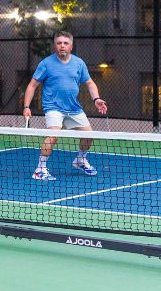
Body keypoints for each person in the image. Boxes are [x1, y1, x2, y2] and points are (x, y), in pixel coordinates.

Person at [22, 31, 108, 181]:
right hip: (53, 107)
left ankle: (80, 160)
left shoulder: (79, 63)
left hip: (74, 108)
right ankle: (40, 169)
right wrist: (26, 106)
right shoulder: (46, 64)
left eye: (65, 43)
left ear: (71, 46)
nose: (62, 46)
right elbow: (32, 85)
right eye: (59, 43)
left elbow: (89, 83)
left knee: (89, 135)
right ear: (55, 45)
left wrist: (96, 99)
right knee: (54, 135)